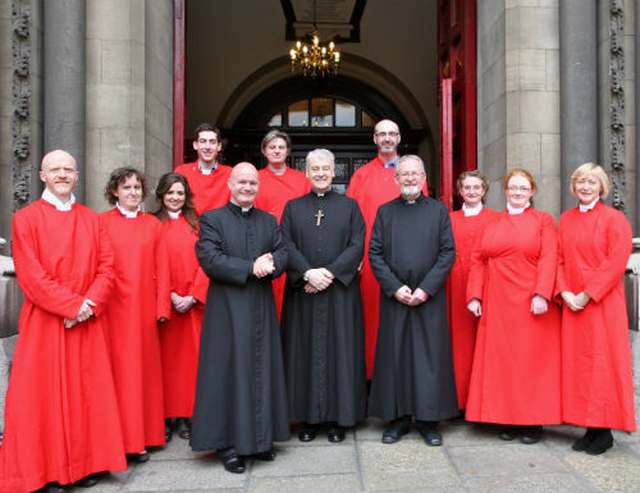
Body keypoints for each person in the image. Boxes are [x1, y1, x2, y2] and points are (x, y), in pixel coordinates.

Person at [0, 150, 126, 493]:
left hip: (86, 320)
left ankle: (83, 465)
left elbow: (107, 267)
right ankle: (46, 471)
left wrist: (89, 305)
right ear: (42, 175)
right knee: (43, 400)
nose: (62, 174)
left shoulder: (92, 219)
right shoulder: (25, 219)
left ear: (77, 175)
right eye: (54, 169)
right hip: (46, 321)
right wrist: (72, 307)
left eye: (68, 169)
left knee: (85, 397)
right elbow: (31, 275)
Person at [191, 162, 290, 474]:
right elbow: (210, 259)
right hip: (227, 310)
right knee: (228, 373)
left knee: (261, 369)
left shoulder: (268, 220)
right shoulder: (212, 220)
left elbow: (284, 250)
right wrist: (251, 268)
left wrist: (273, 260)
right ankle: (229, 444)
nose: (247, 188)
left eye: (252, 183)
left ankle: (261, 440)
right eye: (242, 183)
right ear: (230, 185)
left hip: (261, 306)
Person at [368, 155, 458, 447]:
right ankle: (398, 419)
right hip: (396, 297)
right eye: (403, 174)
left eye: (414, 174)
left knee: (428, 359)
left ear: (423, 178)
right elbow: (375, 254)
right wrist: (394, 288)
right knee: (397, 357)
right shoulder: (385, 212)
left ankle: (429, 421)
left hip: (428, 297)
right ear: (396, 179)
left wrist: (426, 288)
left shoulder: (439, 211)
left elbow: (448, 253)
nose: (409, 178)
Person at [466, 169, 561, 444]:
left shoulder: (543, 221)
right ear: (505, 191)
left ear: (532, 192)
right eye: (513, 188)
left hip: (531, 303)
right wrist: (474, 296)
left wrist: (542, 293)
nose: (518, 193)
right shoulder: (493, 223)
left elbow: (549, 258)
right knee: (503, 363)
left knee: (531, 363)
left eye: (523, 188)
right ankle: (508, 418)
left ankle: (532, 422)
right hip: (497, 302)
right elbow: (478, 260)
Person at [281, 149, 367, 443]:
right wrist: (307, 274)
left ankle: (337, 419)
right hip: (304, 294)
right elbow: (286, 244)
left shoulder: (350, 206)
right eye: (314, 168)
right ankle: (307, 419)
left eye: (325, 168)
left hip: (339, 293)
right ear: (306, 173)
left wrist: (328, 274)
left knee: (340, 353)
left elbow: (357, 244)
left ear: (334, 172)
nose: (320, 173)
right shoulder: (293, 207)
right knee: (303, 354)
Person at [556, 162, 636, 455]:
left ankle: (603, 431)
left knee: (602, 365)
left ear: (602, 187)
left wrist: (587, 295)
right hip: (572, 303)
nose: (586, 187)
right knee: (579, 367)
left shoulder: (615, 220)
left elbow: (616, 263)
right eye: (581, 182)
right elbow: (559, 258)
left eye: (592, 182)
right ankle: (588, 425)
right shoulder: (565, 219)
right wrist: (565, 291)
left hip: (601, 304)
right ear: (573, 187)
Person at [347, 119, 428, 378]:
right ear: (374, 139)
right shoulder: (361, 175)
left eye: (391, 134)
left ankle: (402, 375)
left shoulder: (412, 173)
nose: (387, 138)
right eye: (381, 134)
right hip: (372, 262)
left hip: (408, 260)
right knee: (372, 319)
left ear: (399, 137)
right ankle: (372, 376)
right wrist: (354, 256)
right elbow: (352, 220)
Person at [101, 167, 171, 462]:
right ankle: (118, 440)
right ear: (115, 191)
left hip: (143, 311)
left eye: (137, 188)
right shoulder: (100, 222)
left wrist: (161, 307)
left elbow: (162, 268)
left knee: (142, 376)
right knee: (117, 377)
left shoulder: (153, 225)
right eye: (126, 187)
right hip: (111, 310)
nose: (132, 193)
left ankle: (144, 437)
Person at [153, 173, 209, 443]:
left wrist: (193, 295)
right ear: (161, 194)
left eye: (180, 193)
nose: (175, 198)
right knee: (164, 365)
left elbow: (207, 260)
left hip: (192, 304)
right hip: (164, 305)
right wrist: (170, 295)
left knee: (191, 364)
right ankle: (164, 416)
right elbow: (148, 264)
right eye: (170, 193)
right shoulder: (152, 224)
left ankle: (187, 414)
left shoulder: (198, 224)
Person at [447, 171, 499, 412]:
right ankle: (459, 400)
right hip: (456, 285)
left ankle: (485, 402)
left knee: (487, 344)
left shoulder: (497, 219)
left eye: (477, 187)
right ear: (459, 191)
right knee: (460, 344)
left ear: (485, 190)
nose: (471, 192)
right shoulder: (449, 219)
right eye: (467, 187)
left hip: (489, 286)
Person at [254, 130, 310, 315]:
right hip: (263, 248)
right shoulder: (255, 178)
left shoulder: (302, 180)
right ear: (264, 151)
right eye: (272, 147)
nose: (277, 151)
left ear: (288, 151)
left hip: (294, 246)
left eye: (281, 147)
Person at [174, 123, 233, 215]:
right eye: (203, 141)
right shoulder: (182, 172)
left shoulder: (230, 174)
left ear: (219, 146)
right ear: (195, 145)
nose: (207, 147)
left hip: (219, 228)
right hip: (189, 227)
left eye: (212, 142)